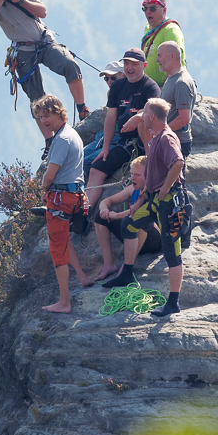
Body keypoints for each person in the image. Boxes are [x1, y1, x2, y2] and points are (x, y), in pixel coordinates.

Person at [0, 0, 90, 144]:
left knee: (70, 64)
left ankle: (82, 108)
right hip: (22, 50)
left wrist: (21, 1)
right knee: (36, 98)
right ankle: (49, 141)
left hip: (43, 41)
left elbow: (43, 12)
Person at [32, 95, 93, 313]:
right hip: (76, 197)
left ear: (58, 112)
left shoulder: (60, 140)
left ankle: (64, 302)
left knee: (57, 249)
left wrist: (45, 188)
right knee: (65, 238)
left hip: (61, 200)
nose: (44, 120)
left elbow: (50, 175)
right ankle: (82, 276)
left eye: (46, 115)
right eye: (40, 117)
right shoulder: (71, 133)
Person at [84, 48, 160, 213]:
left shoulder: (150, 87)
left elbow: (153, 115)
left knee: (143, 119)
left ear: (144, 65)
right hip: (126, 143)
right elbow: (111, 118)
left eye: (134, 64)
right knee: (96, 167)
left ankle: (150, 161)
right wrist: (105, 149)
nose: (129, 67)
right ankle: (85, 211)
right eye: (126, 63)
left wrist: (138, 116)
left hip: (144, 143)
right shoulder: (118, 86)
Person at [138, 98, 187, 317]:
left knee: (172, 251)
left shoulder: (166, 138)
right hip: (157, 200)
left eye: (144, 112)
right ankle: (125, 273)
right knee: (130, 224)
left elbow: (178, 163)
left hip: (169, 202)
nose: (142, 116)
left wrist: (165, 188)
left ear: (151, 117)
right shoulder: (156, 137)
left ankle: (173, 302)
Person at [93, 156, 160, 285]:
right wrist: (103, 209)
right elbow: (107, 201)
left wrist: (116, 215)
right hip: (132, 234)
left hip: (154, 239)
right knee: (99, 217)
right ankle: (109, 265)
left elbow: (138, 212)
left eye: (138, 175)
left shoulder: (153, 190)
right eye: (132, 174)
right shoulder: (132, 189)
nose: (133, 178)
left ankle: (127, 266)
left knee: (141, 220)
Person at [156, 41, 197, 158]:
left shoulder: (181, 82)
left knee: (174, 176)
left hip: (177, 142)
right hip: (169, 139)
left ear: (172, 56)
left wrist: (161, 133)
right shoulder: (171, 77)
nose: (157, 60)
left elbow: (184, 118)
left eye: (159, 55)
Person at [140, 0, 186, 87]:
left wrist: (165, 88)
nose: (148, 12)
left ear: (164, 10)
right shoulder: (148, 28)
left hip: (167, 87)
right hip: (150, 87)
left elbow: (175, 60)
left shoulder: (171, 29)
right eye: (145, 8)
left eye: (153, 8)